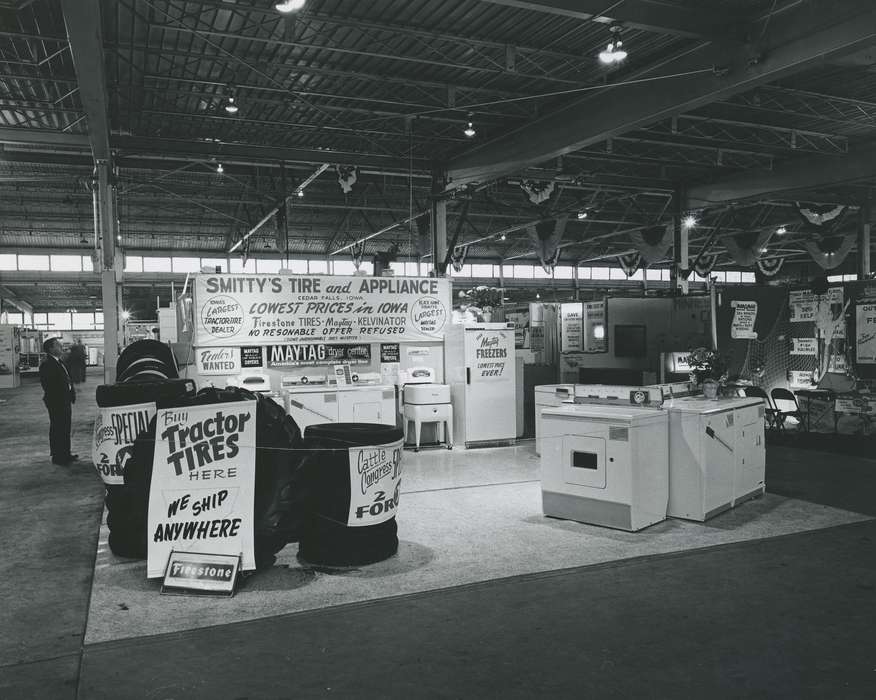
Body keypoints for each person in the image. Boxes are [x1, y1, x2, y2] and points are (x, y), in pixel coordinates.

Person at [39, 337, 78, 466]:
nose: (60, 346)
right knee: (58, 428)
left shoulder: (59, 362)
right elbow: (48, 385)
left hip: (64, 400)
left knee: (65, 428)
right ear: (51, 348)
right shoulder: (47, 364)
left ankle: (65, 453)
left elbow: (67, 380)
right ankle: (57, 456)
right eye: (57, 345)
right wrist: (60, 398)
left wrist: (70, 394)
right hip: (57, 402)